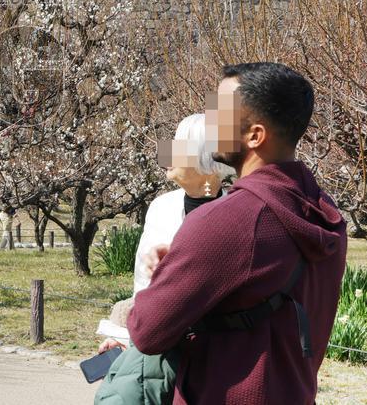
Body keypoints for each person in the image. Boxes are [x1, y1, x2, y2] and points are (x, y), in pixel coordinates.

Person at [128, 62, 347, 405]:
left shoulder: (225, 222)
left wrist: (164, 280)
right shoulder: (324, 212)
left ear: (255, 135)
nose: (209, 120)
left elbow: (146, 331)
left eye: (219, 111)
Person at [94, 113, 233, 402]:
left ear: (206, 156)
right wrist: (123, 334)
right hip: (155, 350)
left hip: (210, 360)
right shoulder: (161, 207)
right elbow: (141, 289)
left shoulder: (234, 215)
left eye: (178, 145)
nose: (166, 152)